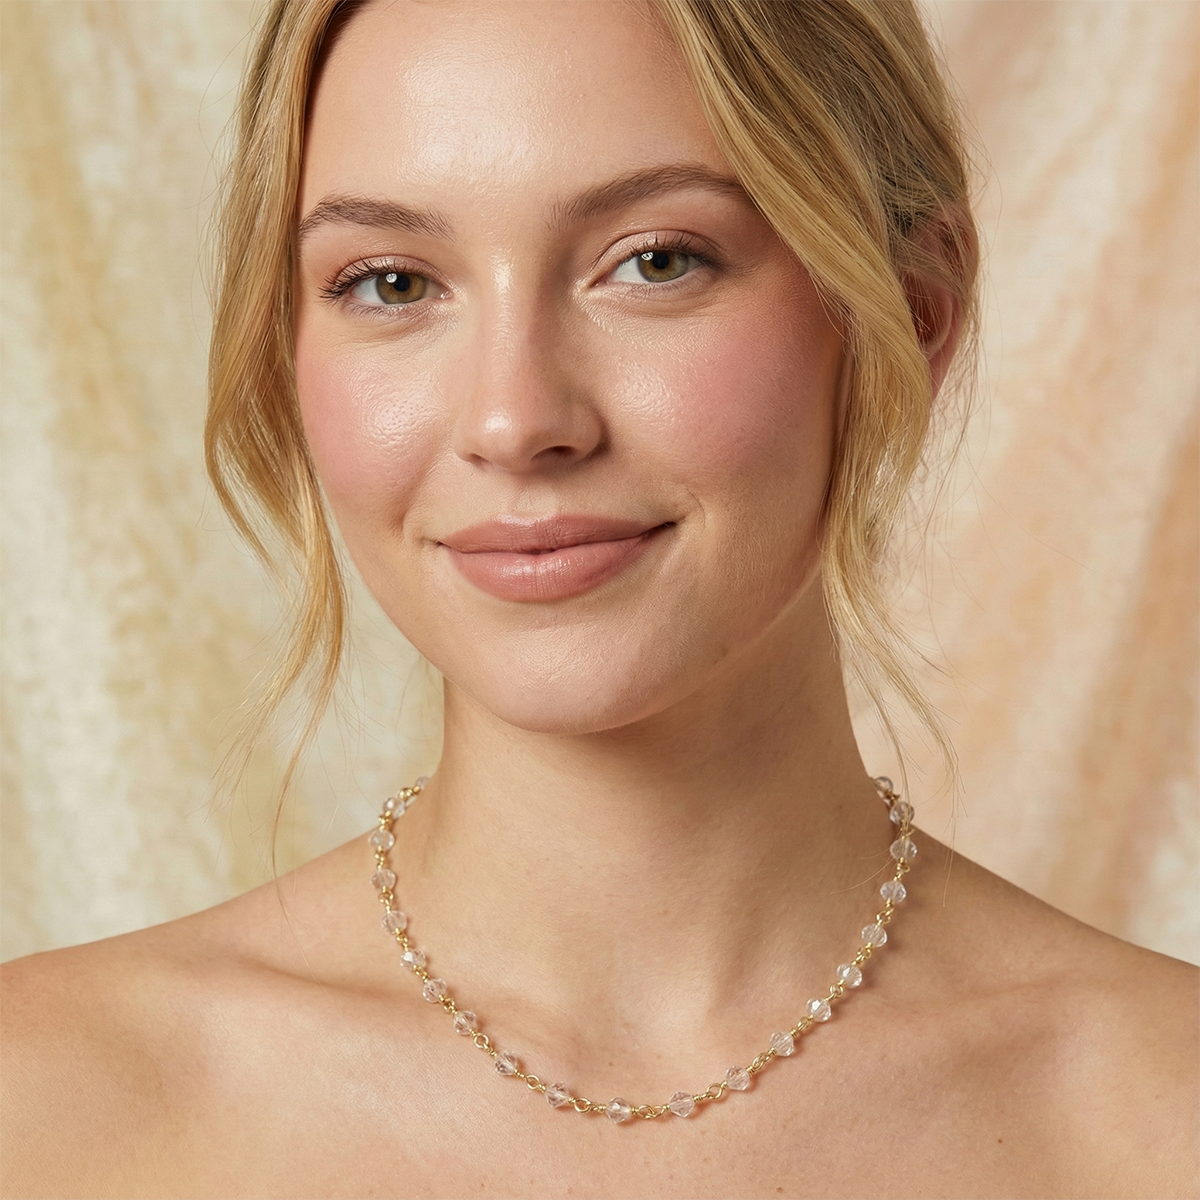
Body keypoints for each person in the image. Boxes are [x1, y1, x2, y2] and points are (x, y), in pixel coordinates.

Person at [1, 0, 1196, 1195]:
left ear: (910, 314)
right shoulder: (42, 1100)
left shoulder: (1160, 1111)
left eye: (656, 261)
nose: (517, 420)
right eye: (392, 282)